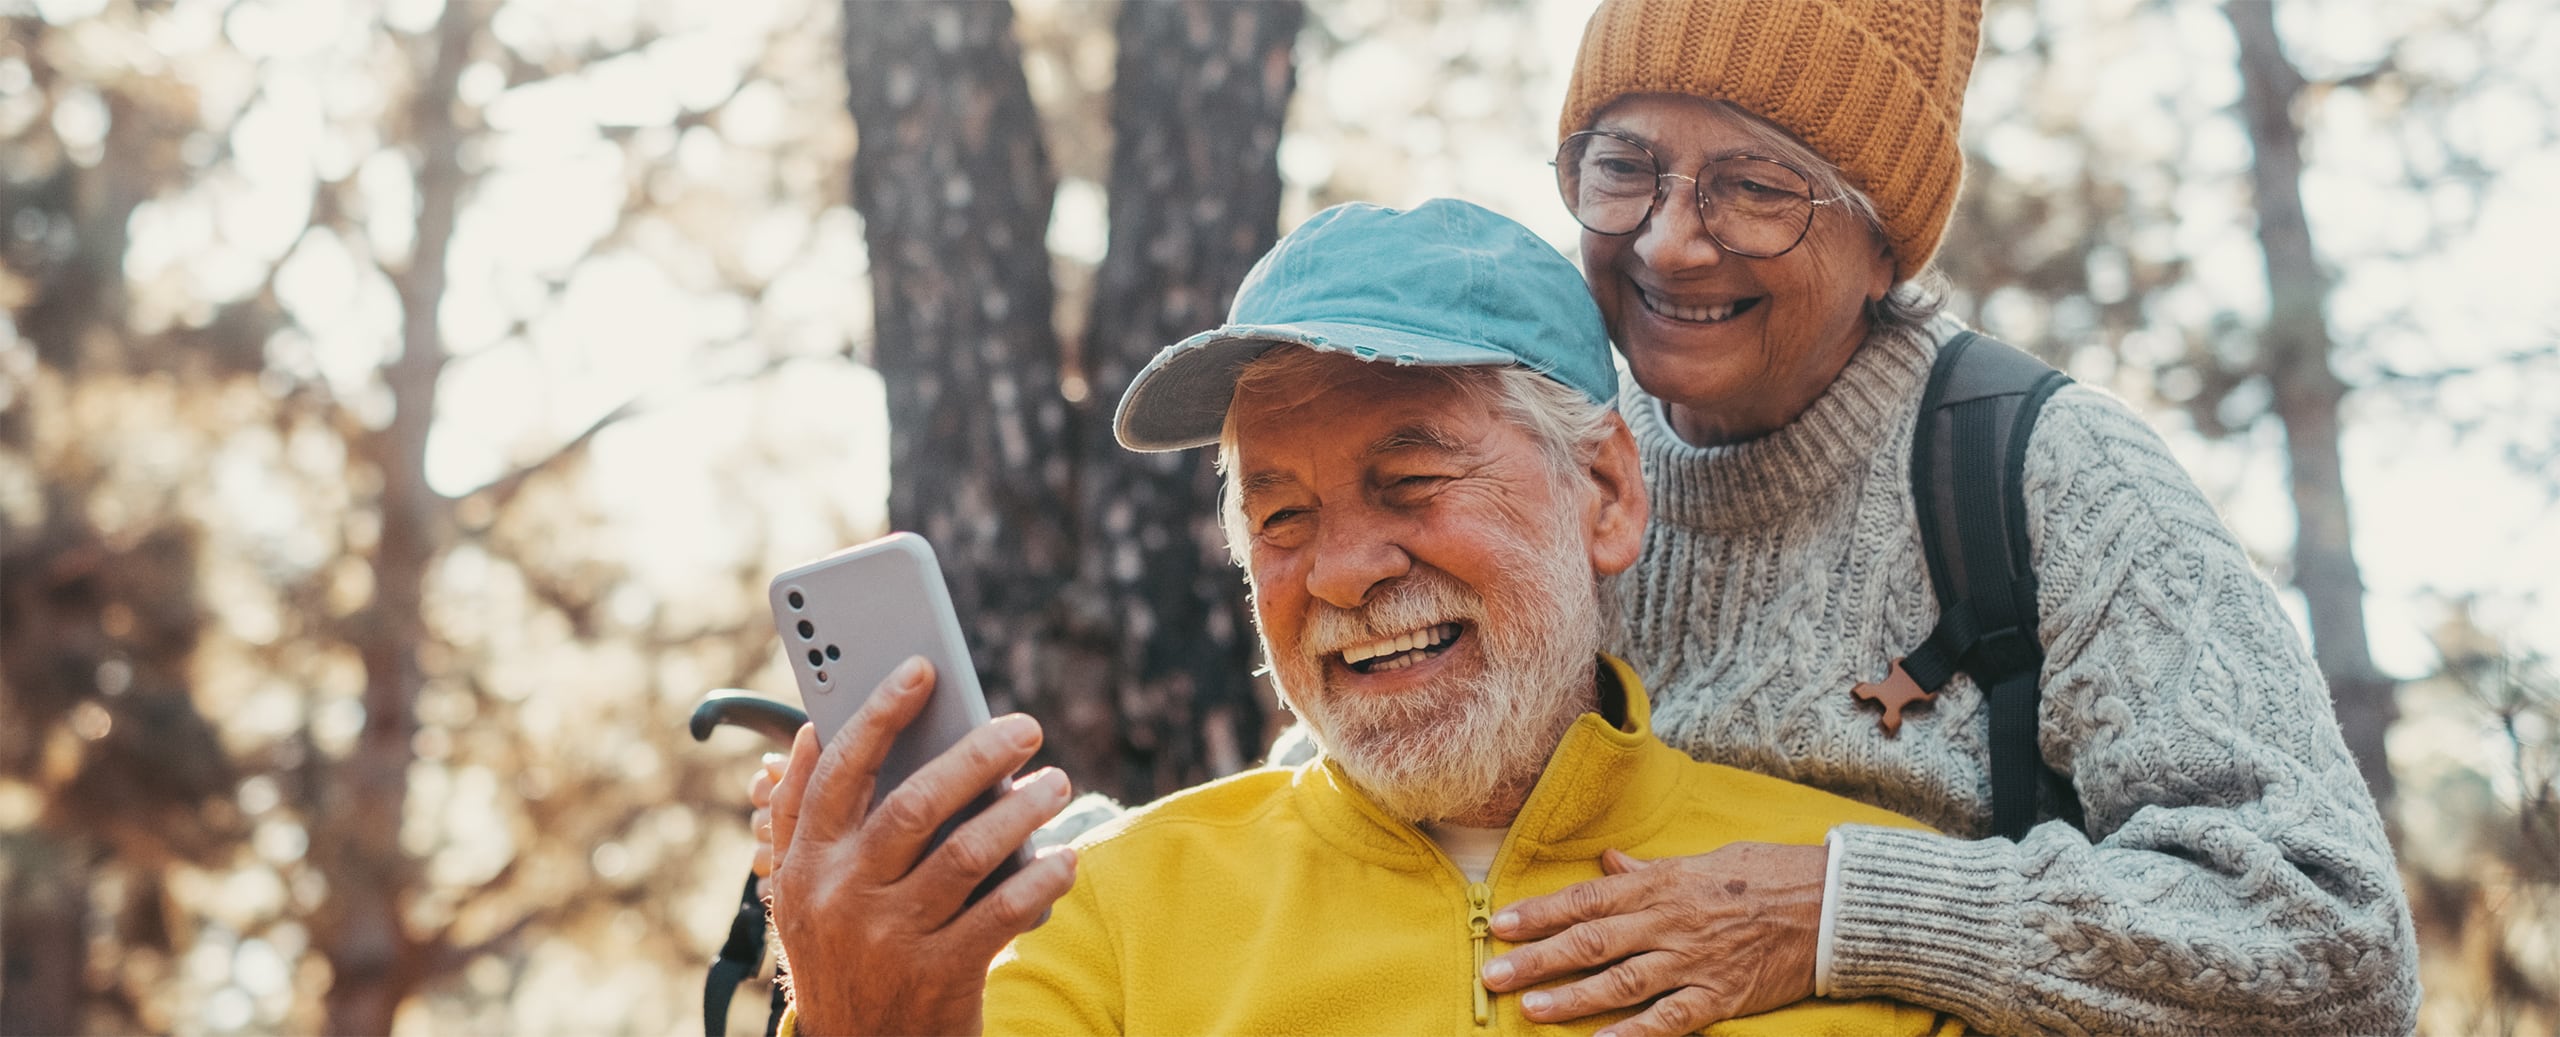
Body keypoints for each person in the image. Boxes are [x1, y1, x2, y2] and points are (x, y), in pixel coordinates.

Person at [761, 199, 1966, 1036]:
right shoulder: (1100, 915)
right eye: (1278, 514)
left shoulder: (1840, 908)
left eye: (1411, 481)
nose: (1338, 571)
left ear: (1604, 491)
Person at [1471, 0, 2420, 1034]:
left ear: (1886, 248)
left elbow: (2336, 938)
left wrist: (1846, 911)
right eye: (1621, 167)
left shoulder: (2052, 477)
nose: (1668, 241)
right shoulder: (1542, 462)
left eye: (1752, 187)